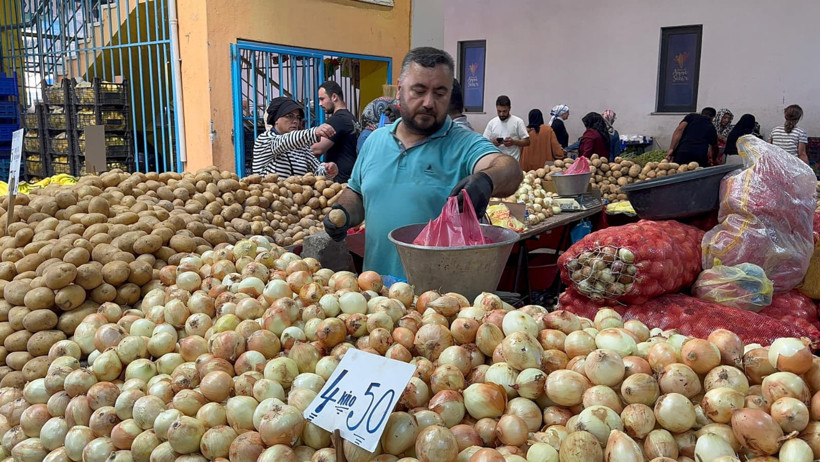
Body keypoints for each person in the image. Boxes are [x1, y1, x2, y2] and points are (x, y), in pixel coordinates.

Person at [322, 47, 523, 279]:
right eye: (419, 91)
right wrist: (343, 213)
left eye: (440, 93)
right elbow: (357, 193)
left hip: (439, 303)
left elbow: (509, 168)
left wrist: (487, 180)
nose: (429, 102)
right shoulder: (375, 141)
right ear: (399, 90)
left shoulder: (464, 144)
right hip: (376, 297)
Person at [251, 97, 338, 178]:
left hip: (298, 194)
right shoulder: (264, 140)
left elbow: (316, 170)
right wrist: (314, 132)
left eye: (298, 117)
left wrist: (327, 170)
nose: (296, 121)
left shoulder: (300, 146)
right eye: (289, 116)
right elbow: (285, 141)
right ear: (276, 119)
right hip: (270, 193)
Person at [311, 81, 359, 183]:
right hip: (350, 178)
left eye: (322, 99)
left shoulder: (338, 120)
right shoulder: (351, 118)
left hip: (339, 181)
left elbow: (316, 150)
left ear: (334, 97)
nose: (320, 104)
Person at [482, 96, 530, 162]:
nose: (501, 114)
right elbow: (483, 142)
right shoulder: (492, 122)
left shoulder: (518, 122)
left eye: (504, 111)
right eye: (499, 111)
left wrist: (514, 142)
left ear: (509, 108)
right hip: (495, 162)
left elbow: (527, 142)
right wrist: (492, 142)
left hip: (513, 162)